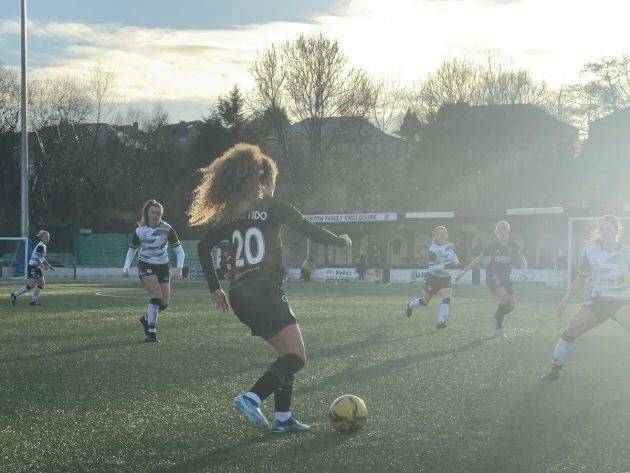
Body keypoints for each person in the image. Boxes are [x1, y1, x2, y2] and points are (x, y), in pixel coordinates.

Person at [192, 143, 351, 433]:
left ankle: (283, 418)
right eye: (274, 182)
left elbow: (203, 248)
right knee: (296, 357)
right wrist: (341, 240)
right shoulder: (275, 208)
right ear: (265, 181)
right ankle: (252, 398)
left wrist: (215, 288)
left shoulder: (231, 214)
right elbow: (311, 231)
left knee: (284, 355)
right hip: (265, 290)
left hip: (240, 294)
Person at [541, 215, 630, 381]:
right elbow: (581, 279)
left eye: (607, 229)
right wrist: (565, 301)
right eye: (601, 229)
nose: (603, 232)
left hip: (623, 300)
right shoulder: (590, 253)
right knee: (571, 329)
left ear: (617, 230)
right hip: (599, 300)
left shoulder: (627, 252)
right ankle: (554, 370)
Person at [122, 199, 185, 342]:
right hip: (145, 265)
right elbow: (132, 250)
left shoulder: (167, 229)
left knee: (163, 303)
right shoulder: (140, 230)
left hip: (163, 266)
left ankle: (145, 318)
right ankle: (151, 332)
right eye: (153, 212)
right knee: (156, 296)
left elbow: (180, 252)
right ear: (147, 214)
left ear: (161, 214)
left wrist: (179, 268)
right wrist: (126, 267)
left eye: (158, 213)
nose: (156, 215)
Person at [456, 221, 527, 338]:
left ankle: (497, 315)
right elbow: (479, 259)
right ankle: (498, 330)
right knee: (504, 297)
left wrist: (524, 272)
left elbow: (523, 260)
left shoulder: (513, 246)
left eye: (504, 229)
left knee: (511, 305)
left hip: (506, 278)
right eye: (500, 230)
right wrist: (464, 270)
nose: (502, 232)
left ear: (508, 231)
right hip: (492, 275)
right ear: (496, 232)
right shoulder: (492, 246)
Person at [406, 226, 460, 328]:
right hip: (433, 278)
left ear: (446, 235)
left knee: (446, 299)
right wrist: (445, 265)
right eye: (438, 234)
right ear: (435, 236)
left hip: (445, 278)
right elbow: (432, 267)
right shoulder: (433, 249)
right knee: (425, 302)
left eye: (443, 233)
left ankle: (441, 321)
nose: (441, 235)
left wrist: (457, 263)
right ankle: (410, 304)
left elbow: (452, 255)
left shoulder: (450, 245)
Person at [10, 230, 54, 306]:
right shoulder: (41, 246)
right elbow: (37, 258)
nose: (47, 238)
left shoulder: (43, 245)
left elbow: (41, 258)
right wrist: (43, 266)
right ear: (41, 238)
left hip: (36, 267)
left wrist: (49, 265)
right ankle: (15, 294)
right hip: (33, 266)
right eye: (46, 236)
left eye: (48, 236)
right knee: (33, 284)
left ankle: (34, 300)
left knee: (41, 283)